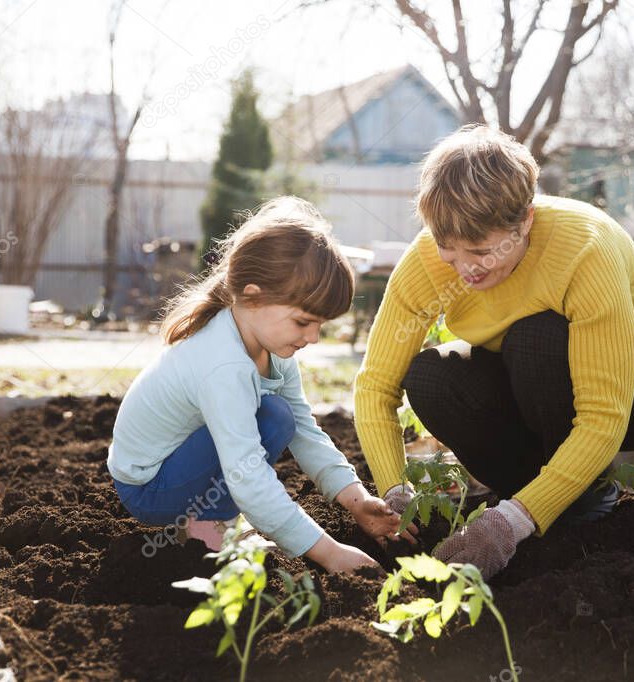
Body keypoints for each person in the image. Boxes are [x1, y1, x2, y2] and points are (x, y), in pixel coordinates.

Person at [355, 126, 634, 579]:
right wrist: (395, 493)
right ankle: (524, 494)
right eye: (448, 250)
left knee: (535, 337)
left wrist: (511, 523)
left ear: (526, 221)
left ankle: (578, 500)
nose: (465, 269)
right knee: (432, 376)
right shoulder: (426, 264)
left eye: (480, 251)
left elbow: (602, 416)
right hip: (527, 378)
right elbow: (375, 386)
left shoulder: (584, 247)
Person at [108, 197, 416, 573]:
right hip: (149, 486)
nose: (314, 338)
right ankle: (210, 528)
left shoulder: (272, 349)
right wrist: (329, 553)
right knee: (269, 419)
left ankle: (212, 520)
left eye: (321, 324)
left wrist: (356, 499)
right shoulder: (223, 363)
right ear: (252, 296)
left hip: (178, 465)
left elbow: (304, 430)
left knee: (279, 417)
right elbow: (248, 477)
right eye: (304, 322)